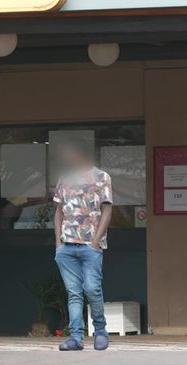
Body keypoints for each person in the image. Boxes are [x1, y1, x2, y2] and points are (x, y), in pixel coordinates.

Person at [53, 138, 113, 351]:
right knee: (74, 293)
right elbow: (58, 213)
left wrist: (95, 241)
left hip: (90, 246)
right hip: (67, 247)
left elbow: (107, 210)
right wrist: (58, 244)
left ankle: (100, 331)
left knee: (92, 289)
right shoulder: (65, 178)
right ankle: (76, 337)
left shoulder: (101, 177)